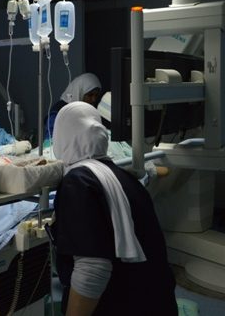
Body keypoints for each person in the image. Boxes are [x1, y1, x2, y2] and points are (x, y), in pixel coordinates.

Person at [51, 101, 176, 316]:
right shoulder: (126, 178)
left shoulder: (78, 182)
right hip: (158, 302)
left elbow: (92, 269)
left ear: (62, 137)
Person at [45, 72, 101, 140]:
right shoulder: (58, 112)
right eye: (90, 95)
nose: (94, 99)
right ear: (79, 92)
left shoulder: (90, 111)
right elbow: (49, 140)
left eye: (96, 95)